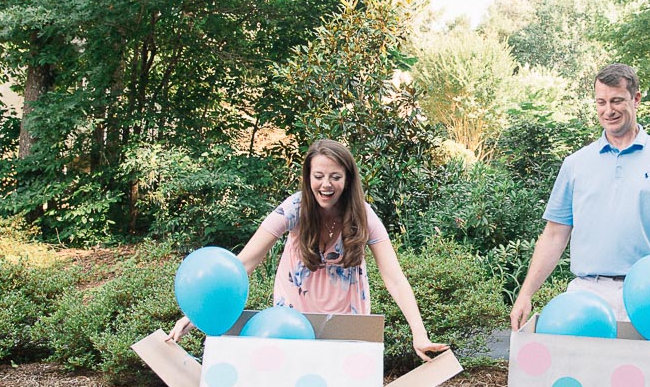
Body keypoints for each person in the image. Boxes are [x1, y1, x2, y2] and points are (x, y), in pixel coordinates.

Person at [509, 63, 650, 347]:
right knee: (583, 384)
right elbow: (554, 235)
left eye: (617, 101)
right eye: (601, 102)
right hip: (587, 295)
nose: (608, 110)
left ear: (636, 99)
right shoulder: (576, 164)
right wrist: (526, 293)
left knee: (647, 386)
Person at [170, 139, 448, 362]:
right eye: (319, 176)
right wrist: (197, 315)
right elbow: (245, 263)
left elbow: (395, 278)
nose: (326, 185)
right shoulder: (294, 208)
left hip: (347, 324)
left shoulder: (364, 215)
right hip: (291, 323)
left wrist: (419, 334)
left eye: (335, 177)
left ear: (348, 180)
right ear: (308, 177)